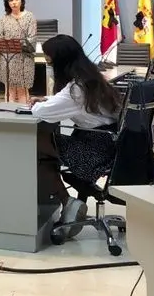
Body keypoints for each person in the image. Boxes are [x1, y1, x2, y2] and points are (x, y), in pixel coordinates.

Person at [29, 34, 121, 237]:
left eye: (49, 62)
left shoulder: (75, 90)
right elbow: (65, 102)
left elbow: (40, 113)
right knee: (45, 148)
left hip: (93, 151)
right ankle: (68, 202)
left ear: (61, 62)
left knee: (33, 144)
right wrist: (49, 99)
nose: (49, 66)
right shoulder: (90, 79)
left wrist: (38, 104)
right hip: (108, 144)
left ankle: (67, 202)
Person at [0, 0, 37, 103]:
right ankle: (9, 113)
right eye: (11, 0)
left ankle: (23, 113)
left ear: (21, 1)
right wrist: (4, 41)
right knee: (9, 90)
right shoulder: (3, 19)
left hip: (24, 58)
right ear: (7, 3)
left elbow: (32, 39)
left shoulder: (30, 17)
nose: (14, 3)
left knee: (22, 90)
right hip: (8, 59)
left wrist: (17, 43)